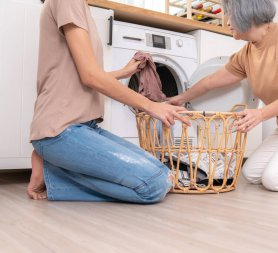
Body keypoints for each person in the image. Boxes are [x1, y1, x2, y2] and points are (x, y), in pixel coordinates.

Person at [168, 0, 278, 192]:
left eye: (231, 15)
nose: (227, 22)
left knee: (275, 180)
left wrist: (261, 114)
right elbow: (211, 81)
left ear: (247, 14)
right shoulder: (247, 53)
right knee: (250, 173)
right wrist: (180, 98)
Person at [28, 0, 189, 203]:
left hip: (86, 127)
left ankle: (52, 165)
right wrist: (151, 106)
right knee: (154, 185)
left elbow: (81, 75)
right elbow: (90, 77)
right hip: (60, 130)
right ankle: (53, 176)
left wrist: (124, 72)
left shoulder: (79, 5)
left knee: (164, 173)